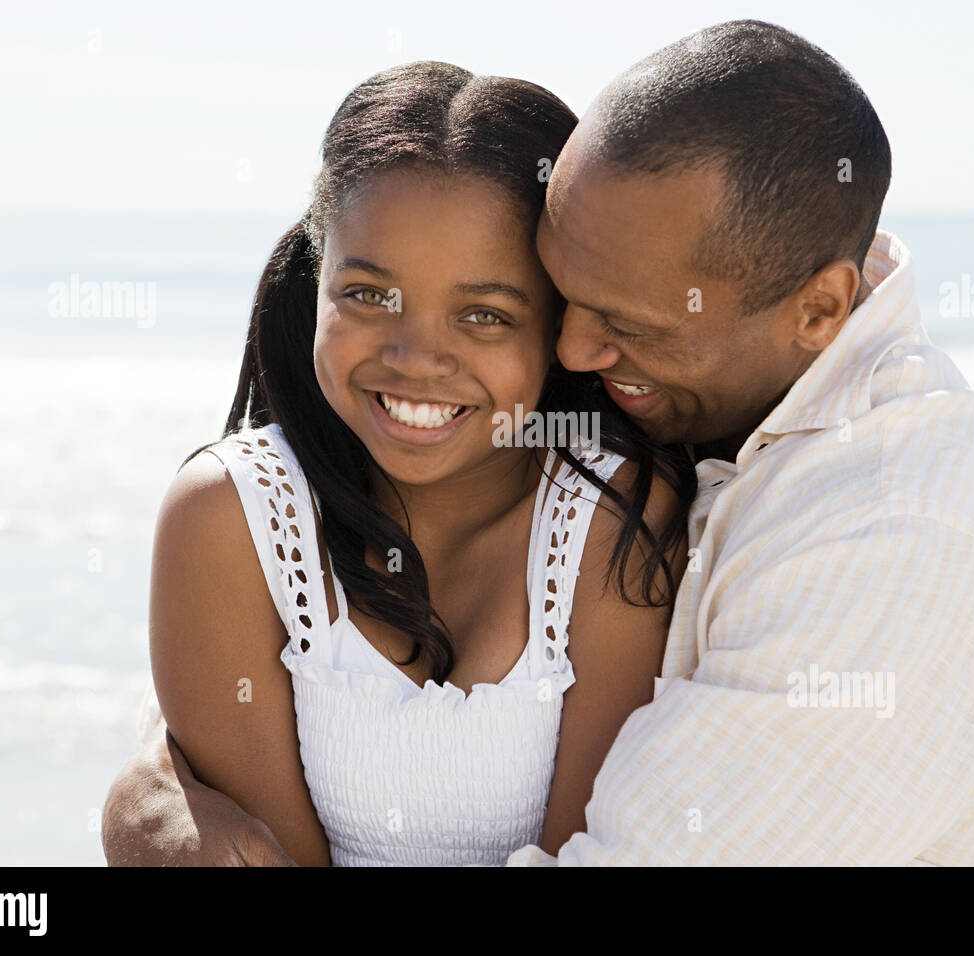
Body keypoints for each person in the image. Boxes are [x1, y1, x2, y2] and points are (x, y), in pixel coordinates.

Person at [105, 20, 974, 867]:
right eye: (572, 297)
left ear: (819, 310)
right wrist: (160, 775)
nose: (576, 351)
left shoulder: (876, 531)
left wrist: (142, 800)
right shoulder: (736, 397)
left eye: (492, 312)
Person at [123, 59, 694, 866]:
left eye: (486, 315)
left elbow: (590, 854)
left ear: (560, 330)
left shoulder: (612, 513)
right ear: (316, 277)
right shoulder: (229, 516)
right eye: (367, 295)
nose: (418, 358)